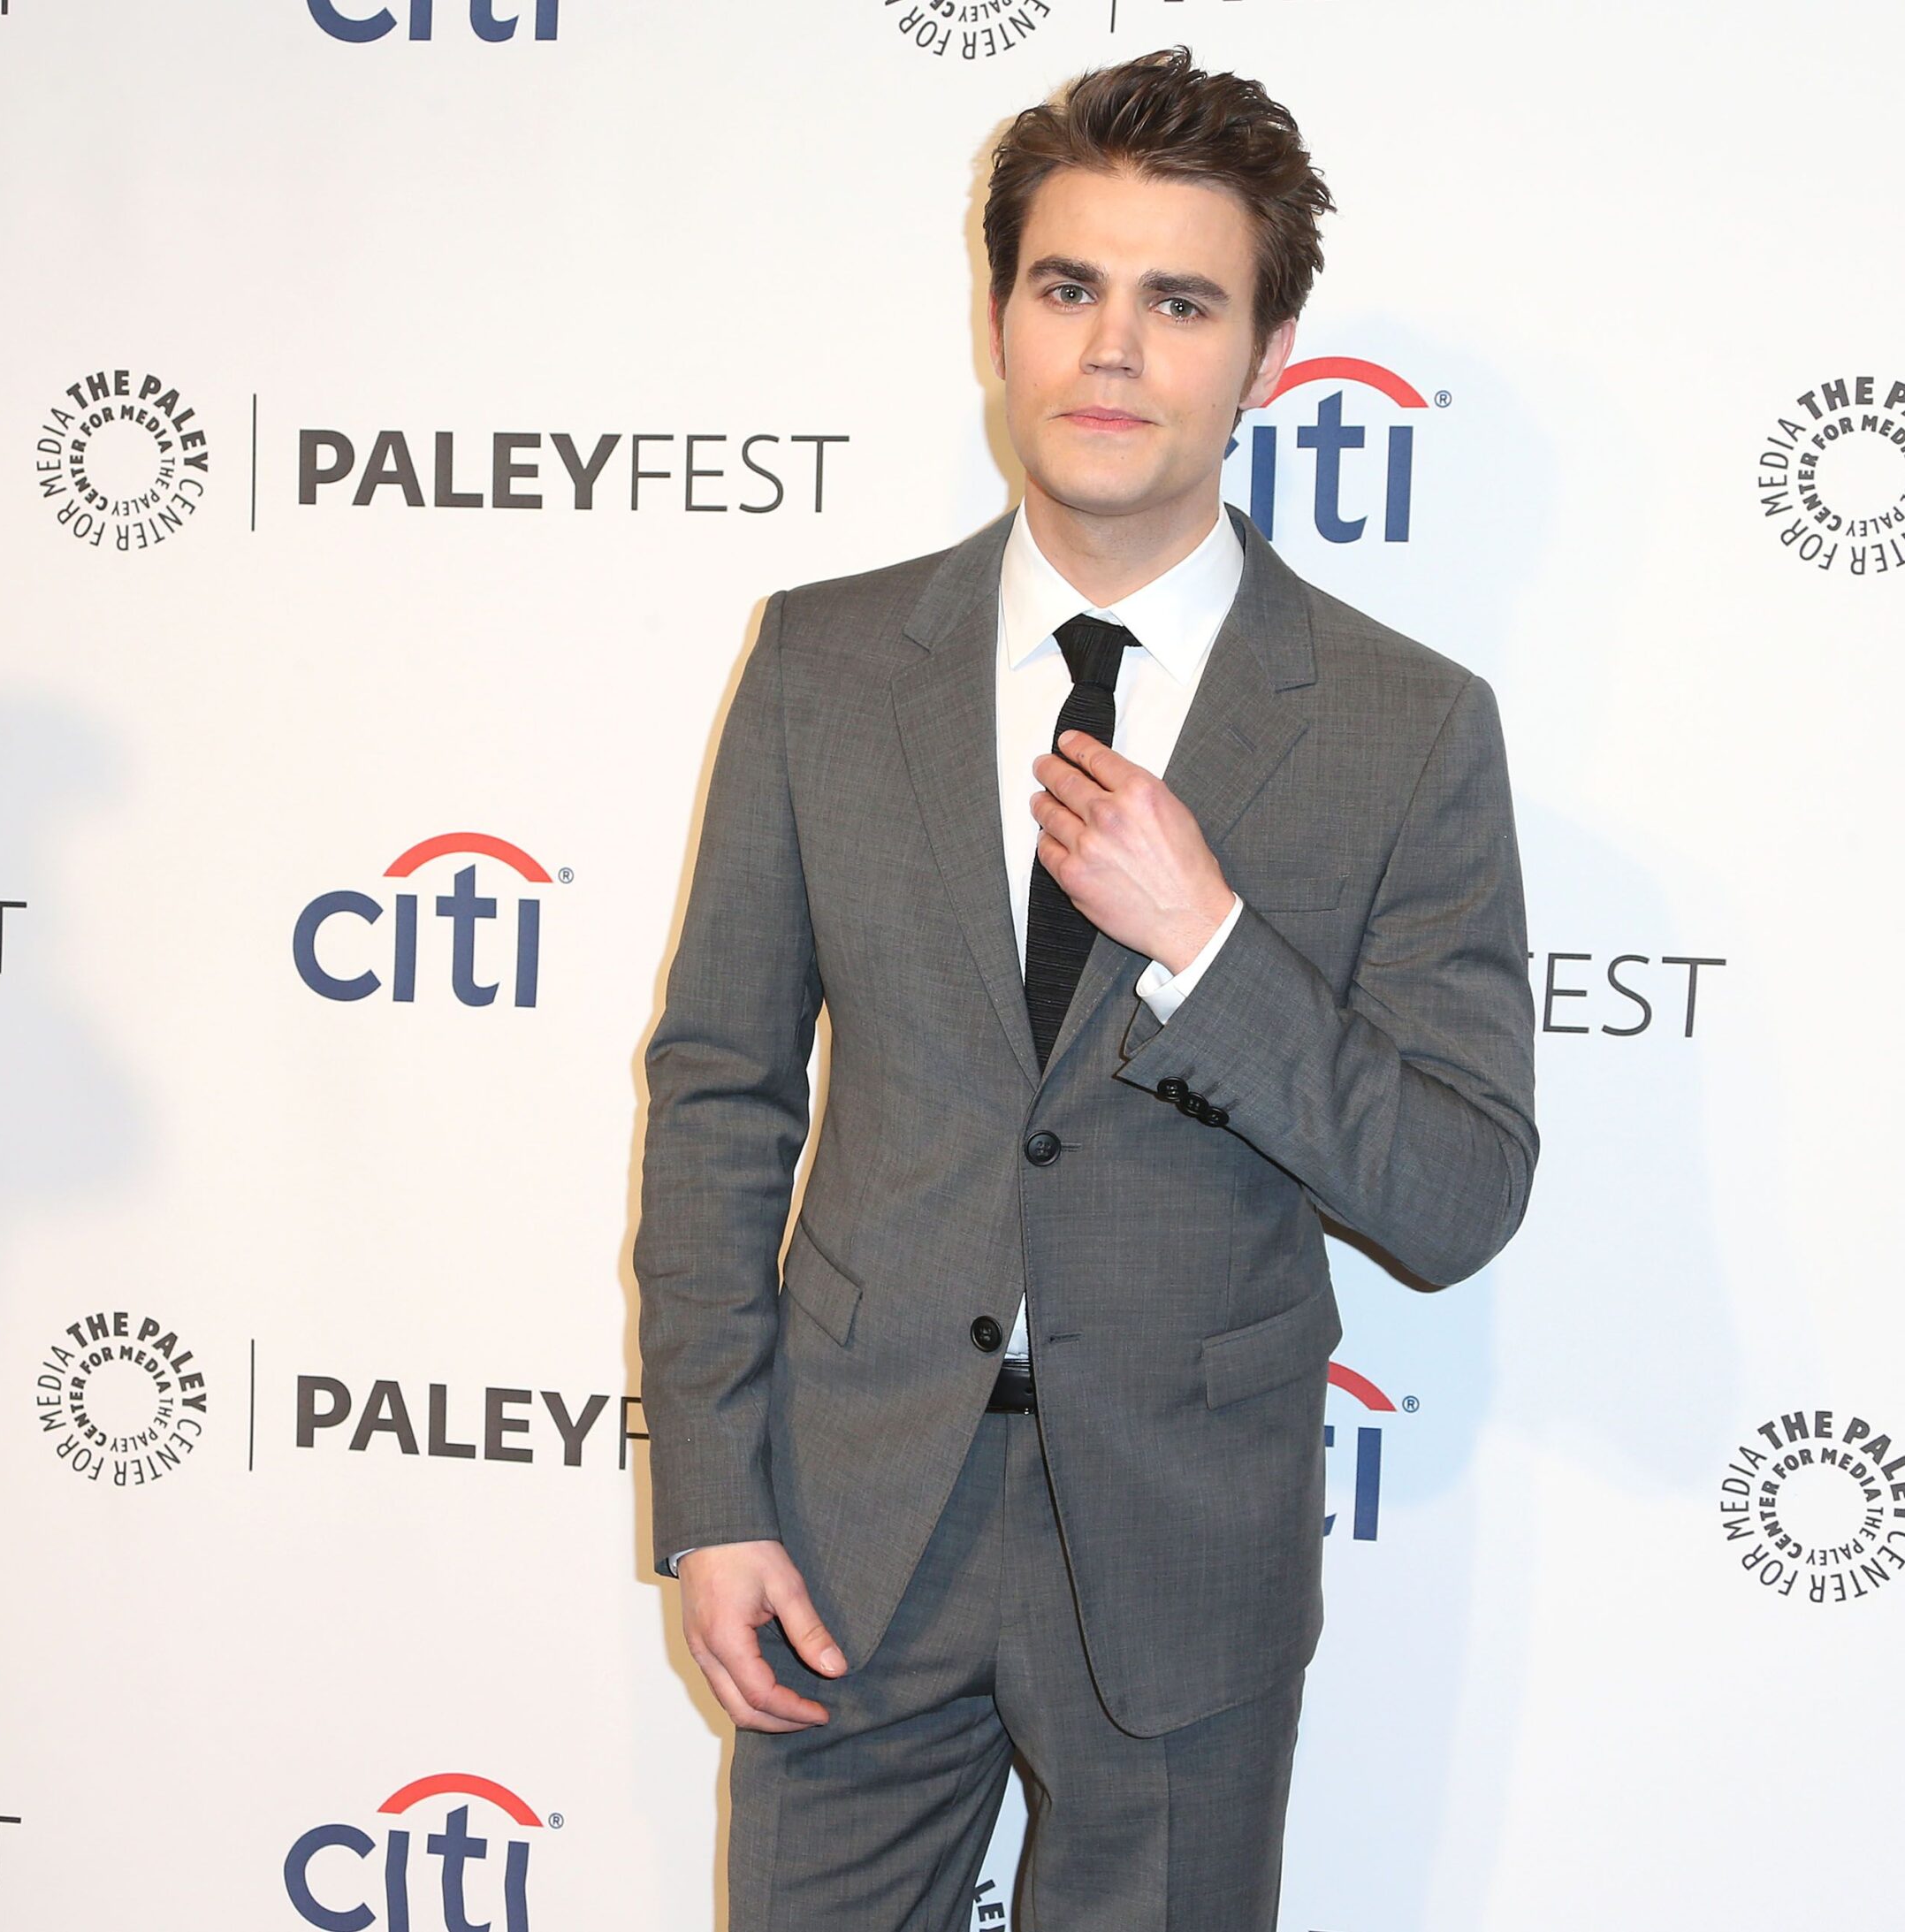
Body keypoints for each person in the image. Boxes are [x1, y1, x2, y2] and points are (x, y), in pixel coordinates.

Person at [633, 45, 1537, 1931]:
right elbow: (722, 1092)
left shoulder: (1406, 726)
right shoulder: (820, 662)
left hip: (1183, 1547)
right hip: (845, 1522)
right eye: (1068, 287)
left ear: (1266, 352)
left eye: (1178, 301)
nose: (1111, 351)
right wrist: (713, 1494)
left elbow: (1454, 1197)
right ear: (994, 315)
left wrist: (1207, 942)